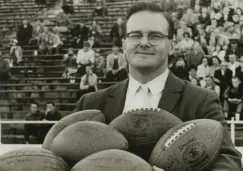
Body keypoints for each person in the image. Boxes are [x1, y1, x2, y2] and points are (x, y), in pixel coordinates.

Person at [75, 3, 242, 169]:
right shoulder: (91, 104)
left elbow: (229, 162)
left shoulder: (201, 100)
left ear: (171, 45)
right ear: (124, 44)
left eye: (155, 36)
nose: (144, 43)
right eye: (135, 35)